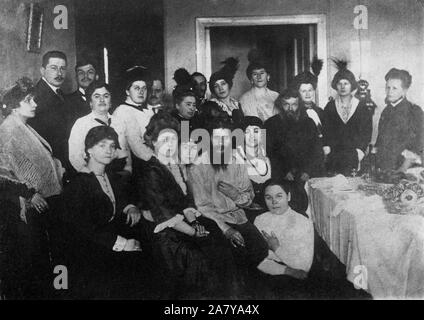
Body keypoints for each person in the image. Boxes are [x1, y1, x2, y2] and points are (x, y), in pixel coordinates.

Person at [139, 112, 235, 298]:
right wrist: (194, 232)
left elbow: (185, 202)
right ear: (153, 142)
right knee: (199, 259)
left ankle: (226, 298)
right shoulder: (151, 171)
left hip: (182, 224)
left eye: (173, 140)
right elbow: (164, 214)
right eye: (164, 139)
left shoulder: (174, 166)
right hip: (165, 234)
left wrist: (195, 224)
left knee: (217, 239)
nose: (169, 145)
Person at [63, 126, 155, 299]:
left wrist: (130, 207)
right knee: (137, 260)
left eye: (112, 146)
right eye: (102, 145)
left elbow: (118, 199)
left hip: (106, 240)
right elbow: (84, 229)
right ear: (89, 150)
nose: (109, 150)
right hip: (89, 251)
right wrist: (122, 243)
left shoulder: (110, 176)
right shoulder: (77, 185)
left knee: (147, 243)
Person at [187, 117, 269, 293]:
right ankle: (234, 295)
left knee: (260, 248)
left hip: (238, 216)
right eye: (217, 139)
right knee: (228, 259)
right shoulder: (197, 167)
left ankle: (249, 289)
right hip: (213, 221)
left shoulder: (237, 160)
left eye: (225, 138)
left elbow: (249, 195)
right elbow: (202, 207)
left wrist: (236, 195)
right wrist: (226, 230)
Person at [253, 179, 371, 299]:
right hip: (273, 271)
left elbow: (303, 266)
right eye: (268, 197)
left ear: (288, 196)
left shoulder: (303, 222)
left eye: (279, 196)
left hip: (294, 278)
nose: (274, 202)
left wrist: (276, 248)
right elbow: (257, 259)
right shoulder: (259, 220)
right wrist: (287, 270)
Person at [0, 77, 63, 299]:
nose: (35, 104)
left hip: (43, 203)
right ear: (14, 106)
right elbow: (3, 173)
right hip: (24, 207)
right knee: (32, 262)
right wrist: (28, 193)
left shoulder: (23, 126)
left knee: (46, 259)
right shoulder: (8, 130)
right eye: (29, 100)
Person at [265, 89, 325, 213]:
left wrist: (308, 171)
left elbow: (317, 151)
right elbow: (270, 153)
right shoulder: (271, 124)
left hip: (306, 174)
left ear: (299, 105)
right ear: (281, 105)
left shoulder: (309, 123)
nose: (290, 108)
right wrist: (284, 171)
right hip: (282, 175)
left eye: (294, 104)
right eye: (286, 104)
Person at [68, 81, 132, 175]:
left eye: (106, 96)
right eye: (97, 96)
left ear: (110, 102)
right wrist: (90, 176)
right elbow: (75, 156)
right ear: (90, 102)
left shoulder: (119, 122)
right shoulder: (81, 123)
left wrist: (128, 169)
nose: (102, 100)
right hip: (93, 175)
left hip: (119, 174)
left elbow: (125, 150)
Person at [27, 51, 74, 179]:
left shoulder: (59, 94)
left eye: (62, 69)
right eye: (53, 68)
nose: (59, 73)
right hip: (51, 167)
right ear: (42, 71)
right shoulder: (36, 97)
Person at [323, 59, 373, 175]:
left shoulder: (361, 106)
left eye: (346, 83)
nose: (343, 87)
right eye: (340, 83)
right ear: (336, 86)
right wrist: (327, 147)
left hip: (354, 154)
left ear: (352, 85)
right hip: (334, 154)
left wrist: (360, 150)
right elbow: (325, 130)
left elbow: (366, 131)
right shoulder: (330, 107)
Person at [375, 68, 424, 172]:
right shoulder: (385, 111)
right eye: (387, 87)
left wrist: (402, 170)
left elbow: (418, 145)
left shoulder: (414, 111)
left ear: (404, 90)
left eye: (394, 88)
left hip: (407, 167)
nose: (389, 92)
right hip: (385, 167)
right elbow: (380, 142)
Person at [112, 66, 154, 162]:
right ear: (127, 91)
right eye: (136, 88)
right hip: (135, 161)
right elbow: (136, 145)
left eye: (144, 88)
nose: (141, 92)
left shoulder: (148, 110)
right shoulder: (123, 111)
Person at [234, 116, 271, 213]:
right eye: (247, 132)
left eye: (256, 131)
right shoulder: (235, 157)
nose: (252, 136)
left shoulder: (268, 156)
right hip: (244, 210)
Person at [291, 57, 326, 145]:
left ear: (314, 91)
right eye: (303, 91)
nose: (307, 94)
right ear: (298, 93)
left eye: (310, 90)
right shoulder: (295, 114)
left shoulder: (321, 112)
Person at [239, 50, 279, 122]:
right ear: (251, 79)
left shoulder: (276, 96)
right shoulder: (244, 99)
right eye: (255, 74)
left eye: (262, 73)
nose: (259, 77)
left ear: (268, 76)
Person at [209, 57, 244, 127]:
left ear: (229, 84)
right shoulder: (212, 105)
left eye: (223, 84)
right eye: (216, 86)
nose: (220, 88)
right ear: (213, 90)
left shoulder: (236, 104)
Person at [66, 57, 99, 124]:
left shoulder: (105, 99)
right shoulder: (66, 101)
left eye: (90, 72)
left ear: (97, 76)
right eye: (81, 73)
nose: (85, 76)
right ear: (76, 77)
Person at [171, 68, 201, 134]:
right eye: (188, 104)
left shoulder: (198, 120)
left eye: (194, 105)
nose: (192, 108)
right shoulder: (173, 122)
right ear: (177, 105)